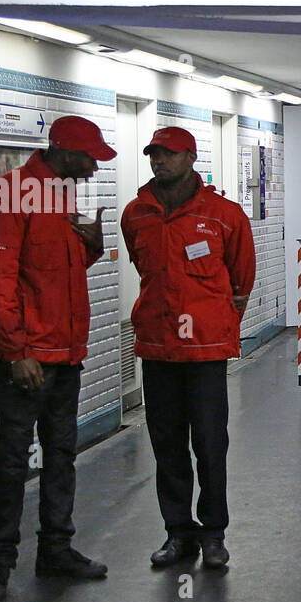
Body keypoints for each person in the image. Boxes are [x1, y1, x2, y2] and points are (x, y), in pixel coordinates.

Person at [0, 115, 115, 602]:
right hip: (28, 357)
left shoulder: (65, 198)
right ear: (65, 152)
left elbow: (60, 271)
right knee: (12, 460)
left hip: (67, 352)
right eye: (90, 158)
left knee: (61, 455)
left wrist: (91, 246)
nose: (95, 168)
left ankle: (55, 550)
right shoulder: (8, 194)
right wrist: (16, 351)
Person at [121, 126, 256, 570]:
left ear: (191, 158)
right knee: (166, 442)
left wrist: (217, 324)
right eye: (154, 154)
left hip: (205, 350)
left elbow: (241, 282)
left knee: (211, 442)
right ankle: (179, 533)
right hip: (157, 348)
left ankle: (214, 533)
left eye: (169, 154)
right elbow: (143, 266)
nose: (160, 161)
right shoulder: (136, 214)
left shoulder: (224, 215)